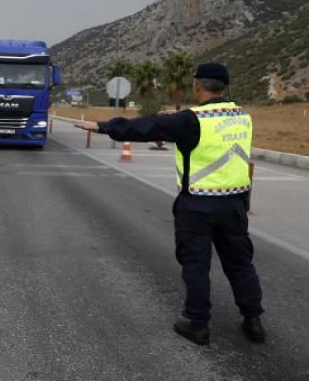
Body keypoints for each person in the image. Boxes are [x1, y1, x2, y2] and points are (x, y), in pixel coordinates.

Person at [76, 63, 265, 346]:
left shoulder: (190, 120)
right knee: (240, 264)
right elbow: (204, 123)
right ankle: (253, 321)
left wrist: (103, 126)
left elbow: (145, 127)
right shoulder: (242, 116)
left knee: (196, 264)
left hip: (197, 205)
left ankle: (197, 323)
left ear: (197, 86)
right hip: (234, 204)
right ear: (224, 87)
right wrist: (176, 118)